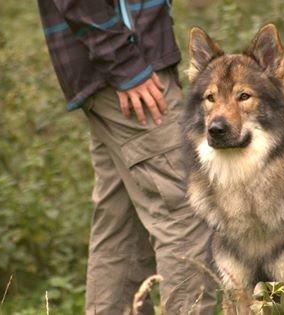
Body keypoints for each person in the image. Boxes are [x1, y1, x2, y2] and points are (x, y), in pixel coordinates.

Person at [37, 1, 216, 314]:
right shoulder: (126, 66)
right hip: (132, 69)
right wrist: (125, 65)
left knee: (123, 224)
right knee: (188, 210)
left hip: (125, 68)